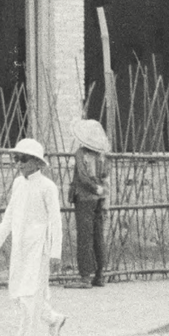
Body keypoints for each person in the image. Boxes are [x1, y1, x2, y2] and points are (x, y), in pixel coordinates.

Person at [0, 138, 66, 336]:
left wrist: (55, 253)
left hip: (39, 246)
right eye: (17, 159)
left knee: (29, 294)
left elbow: (55, 222)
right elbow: (10, 214)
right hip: (20, 245)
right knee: (17, 292)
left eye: (23, 159)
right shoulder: (18, 184)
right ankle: (54, 319)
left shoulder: (48, 187)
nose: (19, 164)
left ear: (37, 162)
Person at [69, 118, 111, 288]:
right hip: (99, 199)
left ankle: (85, 276)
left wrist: (94, 188)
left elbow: (83, 177)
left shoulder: (81, 153)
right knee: (98, 236)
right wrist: (101, 191)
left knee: (85, 237)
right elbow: (106, 178)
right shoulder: (103, 156)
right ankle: (100, 274)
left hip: (85, 199)